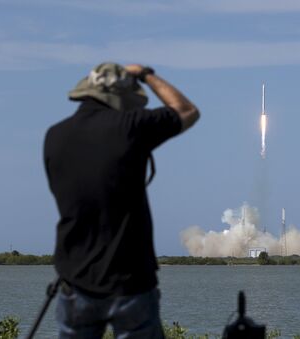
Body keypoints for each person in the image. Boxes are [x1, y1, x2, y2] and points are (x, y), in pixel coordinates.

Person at [44, 62, 200, 338]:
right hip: (131, 282)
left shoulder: (55, 136)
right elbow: (187, 111)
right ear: (122, 99)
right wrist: (147, 75)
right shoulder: (130, 127)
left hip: (75, 280)